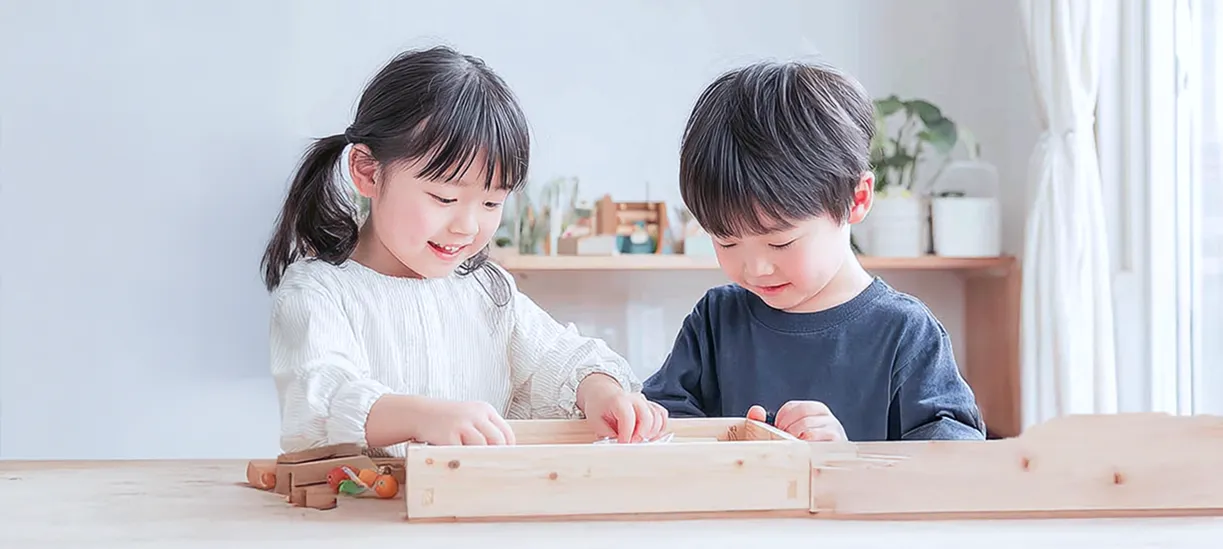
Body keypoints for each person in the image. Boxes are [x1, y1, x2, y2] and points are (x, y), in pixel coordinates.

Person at [261, 46, 666, 456]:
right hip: (367, 499)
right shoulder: (318, 291)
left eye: (491, 203)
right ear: (368, 171)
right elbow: (320, 402)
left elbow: (560, 358)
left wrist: (602, 392)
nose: (468, 227)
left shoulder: (485, 288)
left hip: (478, 496)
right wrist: (424, 417)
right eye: (444, 198)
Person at [642, 60, 985, 442]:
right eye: (726, 241)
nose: (755, 268)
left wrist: (847, 461)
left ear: (857, 199)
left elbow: (955, 461)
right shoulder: (715, 322)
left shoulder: (906, 333)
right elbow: (666, 426)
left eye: (780, 242)